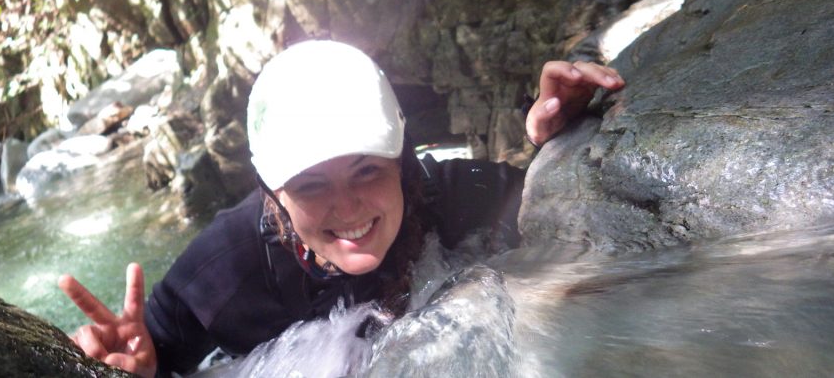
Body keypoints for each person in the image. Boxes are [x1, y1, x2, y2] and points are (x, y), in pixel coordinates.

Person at [58, 40, 624, 377]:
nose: (348, 207)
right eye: (310, 184)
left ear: (401, 162)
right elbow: (156, 353)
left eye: (366, 170)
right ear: (275, 193)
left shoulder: (443, 197)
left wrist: (552, 142)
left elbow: (550, 206)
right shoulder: (221, 274)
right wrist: (140, 366)